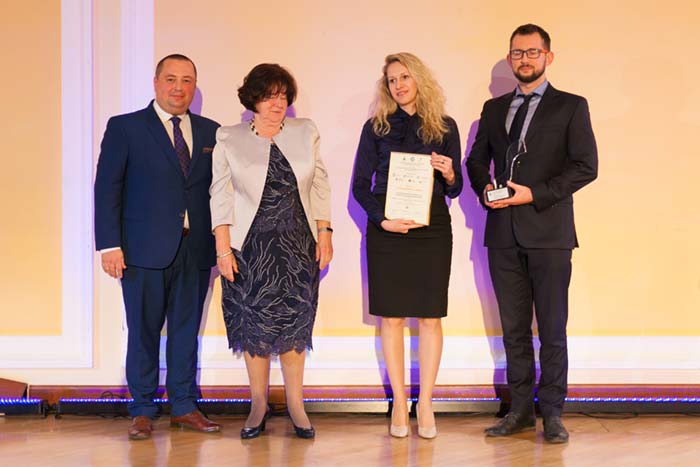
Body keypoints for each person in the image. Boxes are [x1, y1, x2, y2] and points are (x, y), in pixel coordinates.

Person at [466, 24, 598, 443]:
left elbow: (586, 166)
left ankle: (553, 413)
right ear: (510, 58)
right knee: (514, 329)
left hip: (550, 233)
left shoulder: (571, 106)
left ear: (548, 57)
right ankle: (520, 410)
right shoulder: (492, 109)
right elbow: (475, 161)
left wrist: (534, 194)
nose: (524, 59)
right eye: (517, 53)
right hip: (502, 234)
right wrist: (484, 189)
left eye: (532, 52)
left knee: (553, 328)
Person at [94, 54, 221, 440]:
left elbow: (219, 191)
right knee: (143, 331)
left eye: (187, 80)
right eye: (170, 79)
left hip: (195, 249)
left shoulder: (212, 131)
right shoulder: (126, 127)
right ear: (155, 82)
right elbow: (107, 188)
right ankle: (143, 409)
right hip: (142, 251)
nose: (178, 87)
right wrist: (109, 245)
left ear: (194, 86)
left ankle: (183, 405)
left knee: (186, 332)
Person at [210, 63, 333, 440]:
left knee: (295, 325)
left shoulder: (305, 131)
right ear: (253, 99)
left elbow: (320, 184)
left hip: (298, 245)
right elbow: (221, 193)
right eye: (268, 96)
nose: (277, 103)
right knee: (255, 328)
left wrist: (325, 233)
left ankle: (296, 405)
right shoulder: (229, 137)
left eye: (282, 96)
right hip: (251, 248)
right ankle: (258, 404)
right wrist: (223, 248)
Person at [352, 53, 463, 439]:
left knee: (430, 318)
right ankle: (400, 402)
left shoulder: (445, 126)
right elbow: (359, 186)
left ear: (419, 79)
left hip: (432, 230)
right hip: (387, 231)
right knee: (392, 318)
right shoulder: (376, 127)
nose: (398, 85)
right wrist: (382, 220)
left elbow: (456, 188)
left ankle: (426, 402)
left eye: (404, 77)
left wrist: (450, 173)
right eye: (391, 80)